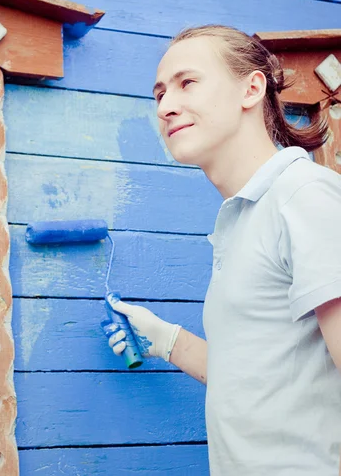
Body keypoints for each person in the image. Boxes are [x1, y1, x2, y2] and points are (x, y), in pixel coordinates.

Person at [104, 25, 341, 475]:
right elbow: (257, 381)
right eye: (158, 94)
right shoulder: (244, 215)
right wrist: (169, 341)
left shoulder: (304, 195)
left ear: (251, 88)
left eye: (186, 82)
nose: (166, 106)